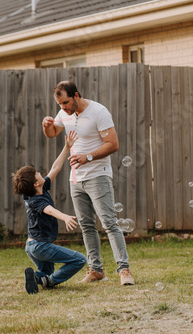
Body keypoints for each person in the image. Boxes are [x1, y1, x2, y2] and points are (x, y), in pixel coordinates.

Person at [42, 81, 135, 285]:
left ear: (76, 96)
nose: (63, 108)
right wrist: (46, 126)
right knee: (86, 225)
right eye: (59, 105)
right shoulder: (64, 114)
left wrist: (88, 157)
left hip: (98, 174)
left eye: (65, 102)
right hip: (76, 178)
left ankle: (124, 269)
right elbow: (52, 134)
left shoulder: (99, 112)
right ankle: (96, 270)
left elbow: (113, 144)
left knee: (110, 223)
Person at [12, 130, 87, 294]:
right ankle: (50, 282)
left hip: (31, 246)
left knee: (47, 272)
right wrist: (66, 217)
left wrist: (66, 148)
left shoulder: (40, 189)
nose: (40, 173)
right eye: (37, 173)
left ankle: (38, 278)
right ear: (35, 183)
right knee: (80, 260)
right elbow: (50, 211)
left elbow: (56, 167)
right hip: (40, 246)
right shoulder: (36, 201)